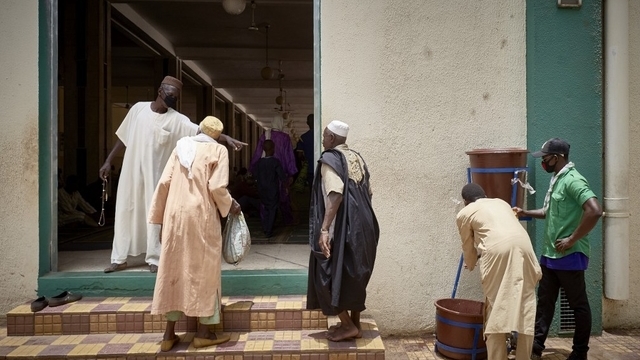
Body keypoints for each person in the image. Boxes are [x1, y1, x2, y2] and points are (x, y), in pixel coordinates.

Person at [99, 76, 246, 273]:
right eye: (170, 95)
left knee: (154, 214)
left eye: (175, 98)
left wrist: (226, 138)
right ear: (160, 91)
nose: (172, 100)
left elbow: (201, 131)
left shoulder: (177, 119)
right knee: (125, 210)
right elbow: (123, 137)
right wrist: (108, 161)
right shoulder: (138, 110)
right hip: (131, 173)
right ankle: (119, 258)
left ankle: (154, 257)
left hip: (155, 177)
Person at [148, 116, 241, 351]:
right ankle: (203, 333)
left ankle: (168, 335)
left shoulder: (181, 147)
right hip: (201, 215)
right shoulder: (218, 150)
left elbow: (164, 183)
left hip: (174, 215)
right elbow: (217, 187)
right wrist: (230, 205)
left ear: (199, 129)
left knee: (173, 267)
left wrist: (158, 220)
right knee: (205, 269)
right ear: (217, 135)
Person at [514, 138, 603, 360]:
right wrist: (524, 212)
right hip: (550, 256)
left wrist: (572, 239)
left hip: (569, 256)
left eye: (546, 158)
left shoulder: (573, 180)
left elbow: (594, 210)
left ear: (559, 157)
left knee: (578, 306)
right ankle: (535, 348)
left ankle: (580, 353)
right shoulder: (558, 179)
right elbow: (547, 212)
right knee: (544, 303)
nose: (543, 162)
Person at [306, 120, 379, 342]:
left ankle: (348, 326)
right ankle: (354, 323)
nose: (322, 138)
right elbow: (369, 192)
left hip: (344, 227)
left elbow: (335, 194)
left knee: (325, 273)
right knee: (355, 274)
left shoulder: (329, 159)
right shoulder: (357, 158)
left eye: (325, 134)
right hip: (366, 226)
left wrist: (325, 229)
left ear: (332, 138)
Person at [456, 183, 542, 360]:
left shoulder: (465, 212)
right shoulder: (501, 203)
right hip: (525, 250)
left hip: (498, 253)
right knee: (525, 307)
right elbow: (506, 233)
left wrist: (470, 263)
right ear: (485, 194)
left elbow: (467, 245)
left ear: (466, 201)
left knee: (496, 308)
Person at [250, 115, 298, 225]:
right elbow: (288, 156)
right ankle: (287, 220)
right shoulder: (285, 137)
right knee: (283, 197)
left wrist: (254, 169)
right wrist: (291, 173)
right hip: (281, 171)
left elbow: (258, 154)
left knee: (265, 199)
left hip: (265, 172)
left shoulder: (264, 136)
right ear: (281, 123)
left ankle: (266, 223)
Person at [253, 139, 287, 237]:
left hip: (261, 189)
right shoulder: (275, 162)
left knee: (266, 208)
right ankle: (269, 230)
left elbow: (255, 175)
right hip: (272, 189)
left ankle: (265, 227)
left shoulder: (259, 163)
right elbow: (281, 176)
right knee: (273, 209)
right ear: (273, 149)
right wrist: (286, 185)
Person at [296, 114, 315, 185]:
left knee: (311, 189)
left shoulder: (303, 138)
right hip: (321, 168)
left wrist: (306, 160)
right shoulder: (321, 136)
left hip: (309, 168)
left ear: (307, 123)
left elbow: (299, 155)